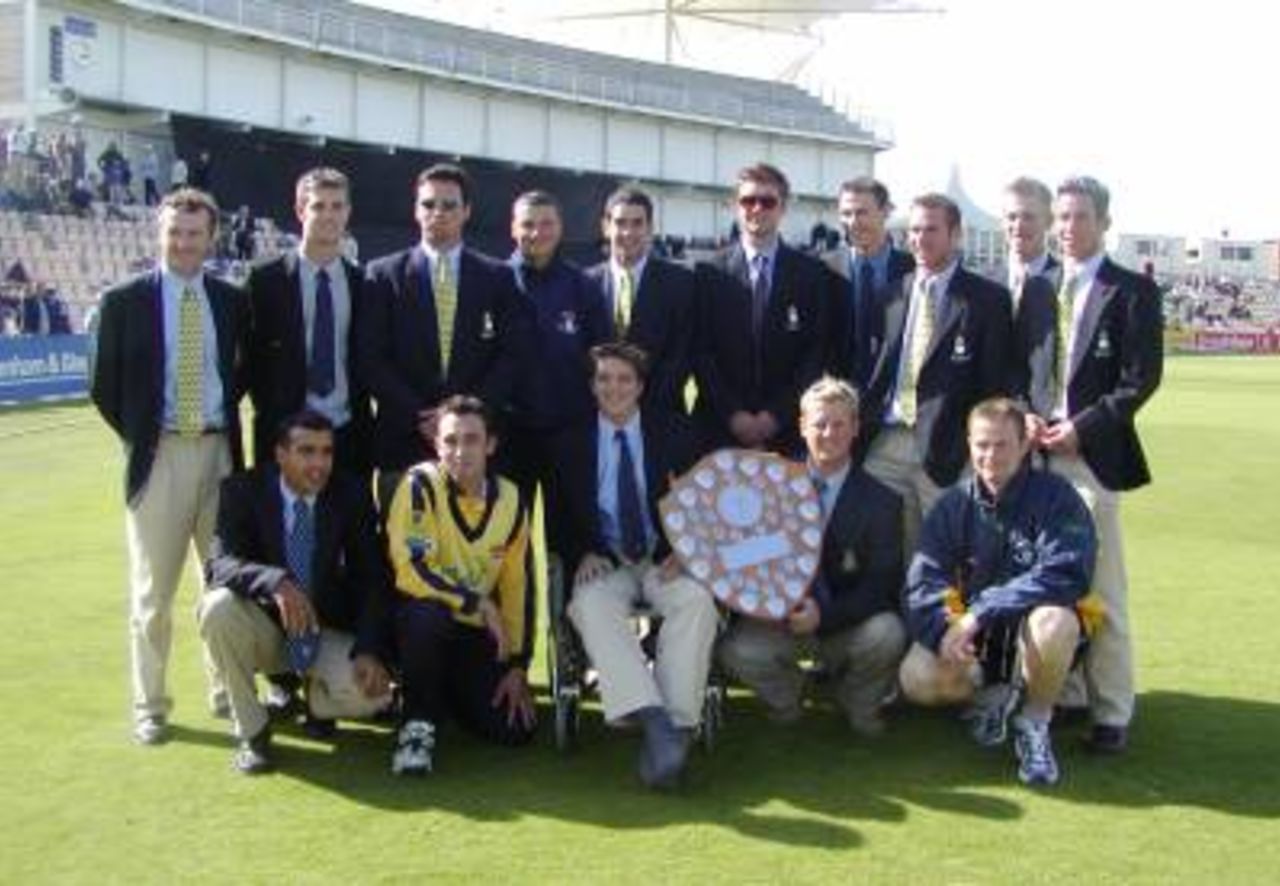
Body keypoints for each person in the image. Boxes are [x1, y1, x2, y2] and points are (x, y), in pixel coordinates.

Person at [90, 188, 247, 745]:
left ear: (211, 238)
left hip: (218, 454)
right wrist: (143, 435)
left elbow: (241, 374)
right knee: (153, 594)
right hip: (157, 456)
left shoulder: (231, 301)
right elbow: (103, 386)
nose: (183, 243)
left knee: (223, 585)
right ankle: (150, 704)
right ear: (160, 234)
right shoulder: (124, 301)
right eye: (174, 233)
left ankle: (227, 690)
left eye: (193, 234)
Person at [1019, 176, 1163, 753]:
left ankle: (1112, 713)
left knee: (1102, 589)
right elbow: (1021, 368)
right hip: (1035, 457)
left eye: (1080, 217)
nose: (1067, 227)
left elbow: (1141, 379)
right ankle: (1061, 696)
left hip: (1090, 459)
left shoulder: (1131, 291)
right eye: (1061, 217)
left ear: (1104, 223)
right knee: (1041, 584)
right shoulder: (1037, 286)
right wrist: (1028, 417)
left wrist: (1082, 428)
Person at [899, 398, 1097, 786]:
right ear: (969, 445)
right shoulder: (953, 504)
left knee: (1055, 622)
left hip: (1036, 634)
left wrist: (981, 612)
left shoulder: (1058, 498)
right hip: (977, 638)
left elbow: (1066, 572)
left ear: (1025, 444)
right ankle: (988, 701)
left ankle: (1034, 721)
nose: (990, 456)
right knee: (917, 678)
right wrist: (948, 627)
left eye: (1002, 444)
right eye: (981, 445)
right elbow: (925, 579)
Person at [553, 342, 716, 788]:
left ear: (641, 386)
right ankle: (655, 722)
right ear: (592, 385)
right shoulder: (569, 442)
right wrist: (580, 550)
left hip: (664, 558)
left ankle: (677, 727)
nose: (614, 387)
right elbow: (559, 518)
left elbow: (704, 505)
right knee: (588, 604)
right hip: (606, 559)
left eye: (624, 379)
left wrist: (685, 551)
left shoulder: (678, 432)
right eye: (604, 378)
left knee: (698, 601)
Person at [200, 410, 394, 774]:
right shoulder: (242, 491)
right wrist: (276, 582)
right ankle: (253, 732)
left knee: (375, 698)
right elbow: (218, 565)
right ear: (280, 454)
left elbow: (373, 578)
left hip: (323, 630)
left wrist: (369, 648)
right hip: (268, 631)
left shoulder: (350, 493)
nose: (319, 463)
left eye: (326, 452)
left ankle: (317, 704)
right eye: (306, 451)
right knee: (217, 608)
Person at [719, 376, 905, 735]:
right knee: (735, 651)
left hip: (843, 621)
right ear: (802, 426)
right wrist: (770, 602)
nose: (829, 433)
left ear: (855, 429)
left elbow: (881, 584)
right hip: (781, 621)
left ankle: (854, 700)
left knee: (888, 633)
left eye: (839, 424)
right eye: (820, 423)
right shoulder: (767, 484)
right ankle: (790, 698)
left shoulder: (883, 501)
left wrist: (824, 615)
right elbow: (740, 556)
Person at [357, 163, 531, 509]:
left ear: (466, 211)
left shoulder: (498, 277)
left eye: (449, 205)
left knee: (475, 554)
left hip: (473, 445)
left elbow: (511, 357)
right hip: (405, 441)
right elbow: (371, 358)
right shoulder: (382, 275)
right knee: (405, 555)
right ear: (415, 210)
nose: (438, 213)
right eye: (428, 204)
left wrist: (465, 416)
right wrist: (422, 417)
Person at [384, 395, 536, 775]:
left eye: (471, 440)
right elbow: (411, 570)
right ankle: (416, 724)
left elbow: (518, 585)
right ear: (436, 443)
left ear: (491, 445)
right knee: (428, 616)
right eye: (450, 440)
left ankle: (439, 695)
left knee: (514, 730)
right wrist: (475, 602)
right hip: (421, 624)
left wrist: (517, 664)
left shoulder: (512, 498)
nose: (460, 451)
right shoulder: (419, 486)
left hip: (474, 635)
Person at [857, 193, 1012, 566]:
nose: (920, 238)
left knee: (948, 560)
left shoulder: (987, 299)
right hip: (885, 447)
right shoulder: (891, 293)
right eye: (914, 229)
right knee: (885, 556)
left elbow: (992, 385)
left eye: (931, 229)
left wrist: (968, 448)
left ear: (955, 234)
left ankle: (945, 626)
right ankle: (897, 625)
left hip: (944, 451)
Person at [692, 163, 830, 455]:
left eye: (767, 201)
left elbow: (814, 354)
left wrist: (776, 416)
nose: (757, 208)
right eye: (748, 200)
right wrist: (733, 415)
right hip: (720, 429)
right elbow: (700, 351)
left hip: (788, 432)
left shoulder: (812, 275)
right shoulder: (708, 272)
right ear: (735, 206)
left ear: (783, 208)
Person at [245, 168, 372, 482]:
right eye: (318, 206)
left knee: (346, 530)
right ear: (300, 210)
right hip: (285, 436)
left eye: (337, 206)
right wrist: (277, 414)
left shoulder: (365, 283)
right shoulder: (266, 281)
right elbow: (250, 360)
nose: (328, 215)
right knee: (283, 529)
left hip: (348, 435)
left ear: (348, 212)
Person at [504, 189, 608, 506]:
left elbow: (600, 357)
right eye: (528, 224)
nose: (537, 233)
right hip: (509, 432)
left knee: (566, 537)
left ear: (560, 228)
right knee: (506, 534)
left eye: (547, 224)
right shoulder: (493, 280)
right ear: (513, 228)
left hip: (568, 431)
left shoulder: (584, 286)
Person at [584, 186, 696, 420]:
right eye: (620, 222)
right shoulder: (584, 283)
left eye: (637, 223)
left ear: (650, 228)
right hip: (595, 416)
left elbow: (681, 355)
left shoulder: (681, 283)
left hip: (658, 417)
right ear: (606, 227)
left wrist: (636, 407)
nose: (628, 232)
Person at [822, 176, 915, 388]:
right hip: (840, 397)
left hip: (895, 398)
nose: (853, 221)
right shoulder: (824, 269)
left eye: (862, 212)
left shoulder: (914, 270)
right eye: (846, 213)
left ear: (885, 212)